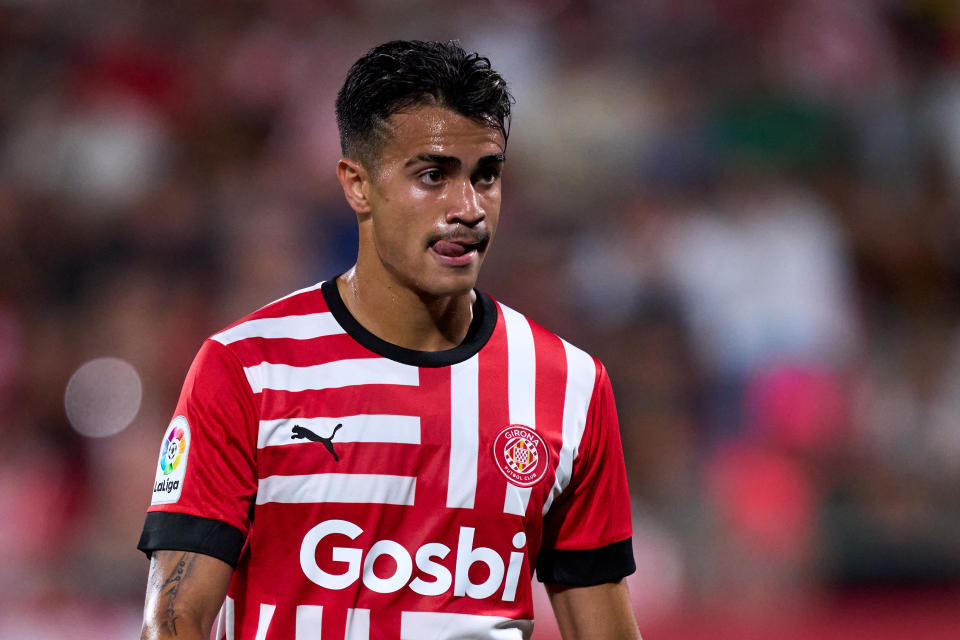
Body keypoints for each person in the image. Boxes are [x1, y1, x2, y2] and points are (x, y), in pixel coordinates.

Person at [138, 40, 641, 640]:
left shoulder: (571, 385)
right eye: (433, 175)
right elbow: (173, 624)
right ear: (357, 185)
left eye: (486, 177)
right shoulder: (250, 368)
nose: (469, 208)